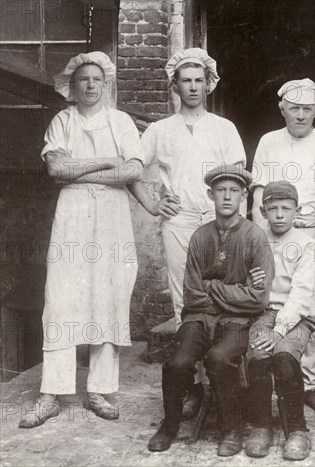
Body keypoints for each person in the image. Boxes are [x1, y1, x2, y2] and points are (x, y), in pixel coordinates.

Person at [19, 52, 145, 428]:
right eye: (83, 80)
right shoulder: (63, 121)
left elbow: (134, 169)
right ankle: (52, 392)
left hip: (112, 217)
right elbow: (57, 169)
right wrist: (107, 162)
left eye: (96, 80)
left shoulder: (121, 122)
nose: (90, 85)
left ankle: (99, 388)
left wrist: (82, 171)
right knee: (61, 296)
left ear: (106, 85)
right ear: (71, 87)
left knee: (108, 293)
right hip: (72, 216)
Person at [129, 47, 246, 418]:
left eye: (199, 80)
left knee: (226, 295)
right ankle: (193, 383)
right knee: (186, 301)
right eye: (186, 81)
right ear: (175, 86)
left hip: (218, 222)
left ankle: (224, 378)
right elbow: (131, 167)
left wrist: (233, 221)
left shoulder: (224, 128)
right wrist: (152, 204)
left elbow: (239, 177)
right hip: (179, 222)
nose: (193, 87)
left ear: (208, 84)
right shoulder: (161, 130)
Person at [147, 165, 274, 457]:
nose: (227, 197)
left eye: (233, 191)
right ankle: (170, 424)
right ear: (210, 194)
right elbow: (192, 294)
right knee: (177, 361)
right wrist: (232, 293)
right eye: (220, 191)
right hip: (199, 317)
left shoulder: (255, 237)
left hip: (237, 321)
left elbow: (258, 299)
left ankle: (231, 427)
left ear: (244, 196)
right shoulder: (200, 237)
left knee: (219, 357)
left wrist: (213, 287)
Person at [251, 78, 315, 413]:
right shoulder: (269, 141)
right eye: (294, 108)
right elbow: (258, 190)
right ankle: (271, 374)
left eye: (307, 109)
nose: (300, 116)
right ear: (282, 109)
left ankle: (311, 381)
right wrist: (261, 238)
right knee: (273, 300)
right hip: (273, 234)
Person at [244, 181, 315, 461]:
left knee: (285, 358)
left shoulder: (306, 244)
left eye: (286, 208)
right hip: (264, 313)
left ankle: (298, 430)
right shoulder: (255, 240)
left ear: (296, 211)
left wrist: (279, 331)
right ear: (262, 211)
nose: (279, 214)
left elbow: (301, 294)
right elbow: (244, 281)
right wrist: (252, 282)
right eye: (272, 208)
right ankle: (262, 425)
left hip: (297, 317)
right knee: (259, 358)